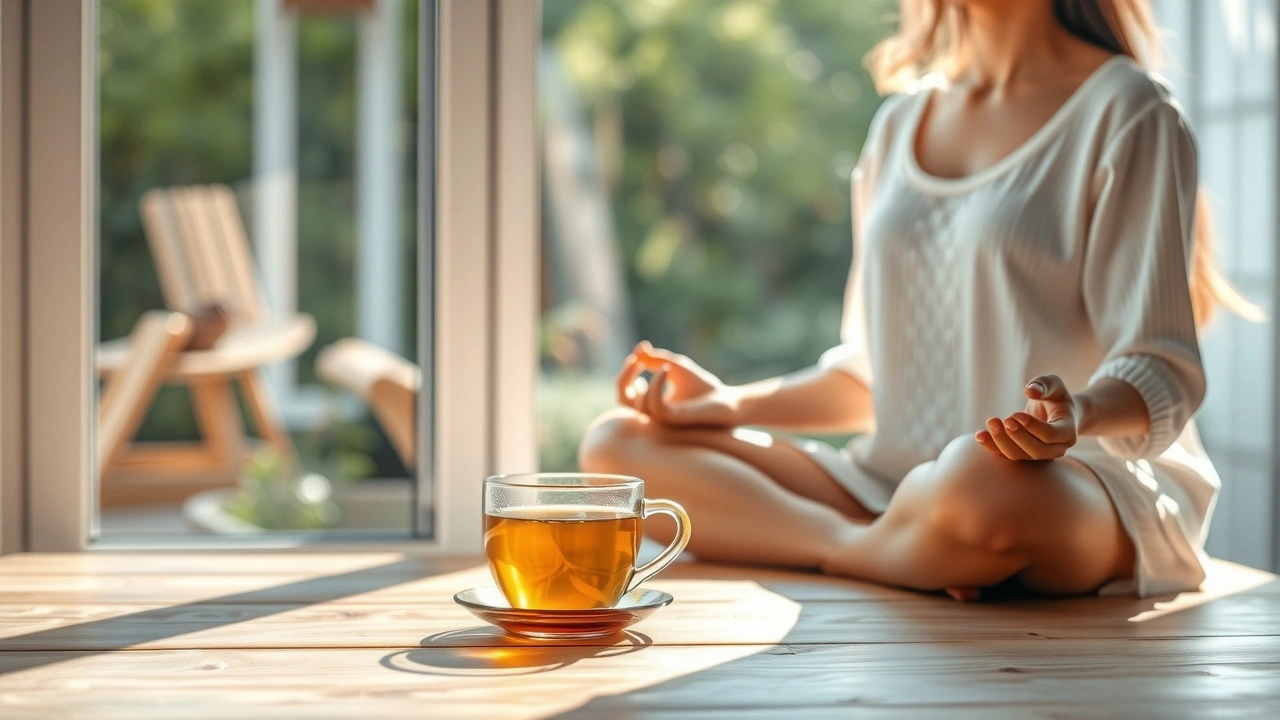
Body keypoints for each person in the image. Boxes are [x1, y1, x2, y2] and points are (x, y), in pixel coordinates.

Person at [578, 0, 1261, 600]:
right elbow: (871, 377)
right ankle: (863, 551)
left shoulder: (1128, 109)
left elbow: (1161, 368)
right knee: (618, 447)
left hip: (1070, 485)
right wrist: (730, 404)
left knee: (973, 477)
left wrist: (1074, 416)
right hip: (893, 491)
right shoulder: (898, 124)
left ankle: (906, 543)